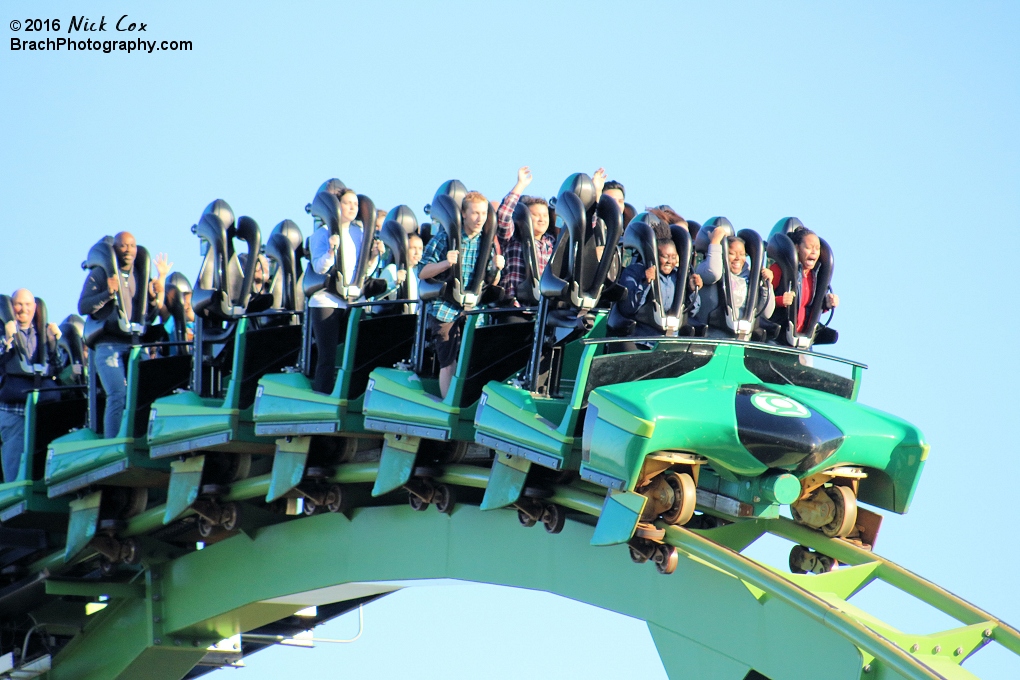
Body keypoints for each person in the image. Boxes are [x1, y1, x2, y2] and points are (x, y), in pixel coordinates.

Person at [78, 232, 170, 438]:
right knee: (118, 393)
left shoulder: (140, 274)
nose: (128, 250)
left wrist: (155, 298)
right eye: (123, 246)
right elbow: (84, 306)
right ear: (114, 249)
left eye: (132, 246)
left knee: (147, 391)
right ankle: (113, 441)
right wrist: (107, 294)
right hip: (109, 344)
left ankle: (144, 435)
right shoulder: (102, 273)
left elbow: (150, 316)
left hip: (135, 343)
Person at [417, 191, 505, 398]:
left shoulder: (486, 241)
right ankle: (449, 404)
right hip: (445, 308)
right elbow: (421, 271)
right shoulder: (446, 237)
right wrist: (445, 263)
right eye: (474, 213)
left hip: (473, 308)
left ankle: (468, 403)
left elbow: (491, 281)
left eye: (483, 213)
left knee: (473, 359)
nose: (479, 218)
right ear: (463, 214)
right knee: (449, 361)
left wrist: (497, 269)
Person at [308, 188, 367, 393]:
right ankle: (323, 395)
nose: (352, 207)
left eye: (355, 204)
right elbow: (319, 268)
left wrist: (375, 255)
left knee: (352, 351)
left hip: (351, 298)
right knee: (328, 355)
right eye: (347, 203)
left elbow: (363, 268)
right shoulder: (322, 233)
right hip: (327, 300)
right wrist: (331, 250)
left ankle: (349, 394)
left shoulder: (358, 233)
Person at [0, 290, 61, 483]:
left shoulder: (43, 333)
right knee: (14, 458)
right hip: (13, 409)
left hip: (39, 408)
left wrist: (55, 341)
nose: (23, 309)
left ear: (35, 307)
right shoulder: (3, 330)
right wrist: (7, 340)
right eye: (18, 304)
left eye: (27, 305)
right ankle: (13, 496)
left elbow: (58, 367)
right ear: (11, 307)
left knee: (40, 456)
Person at [610, 240, 692, 349]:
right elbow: (629, 308)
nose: (669, 261)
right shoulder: (634, 272)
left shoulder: (680, 276)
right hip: (641, 341)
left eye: (673, 257)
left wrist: (692, 290)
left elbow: (692, 312)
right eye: (665, 256)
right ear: (654, 255)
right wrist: (645, 283)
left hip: (670, 343)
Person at [495, 166, 557, 304]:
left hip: (543, 307)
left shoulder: (552, 243)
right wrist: (520, 185)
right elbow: (503, 216)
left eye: (545, 215)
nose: (542, 219)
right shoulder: (513, 238)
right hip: (515, 305)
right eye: (535, 215)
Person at [695, 228, 775, 332]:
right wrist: (715, 242)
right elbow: (713, 273)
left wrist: (767, 284)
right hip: (714, 336)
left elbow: (767, 313)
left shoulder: (752, 277)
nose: (738, 258)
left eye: (742, 254)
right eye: (732, 253)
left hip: (741, 339)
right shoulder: (706, 268)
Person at [768, 227, 838, 333]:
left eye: (817, 248)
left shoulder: (815, 276)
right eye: (809, 247)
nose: (814, 252)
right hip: (779, 335)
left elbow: (809, 307)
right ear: (796, 248)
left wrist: (826, 304)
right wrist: (779, 300)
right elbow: (760, 299)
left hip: (802, 339)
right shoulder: (779, 269)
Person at [378, 232, 423, 313]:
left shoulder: (420, 273)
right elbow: (376, 295)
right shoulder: (392, 269)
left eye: (420, 248)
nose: (417, 252)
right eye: (413, 248)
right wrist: (395, 283)